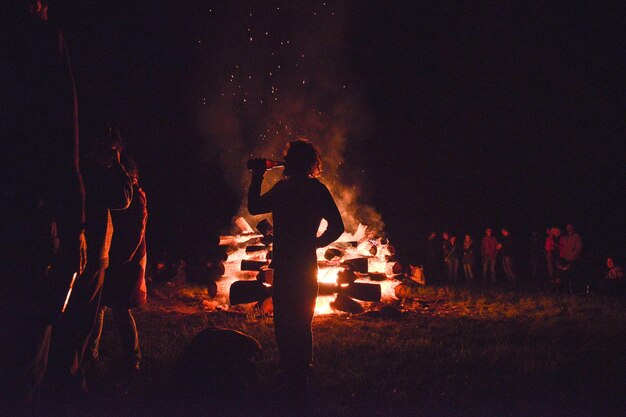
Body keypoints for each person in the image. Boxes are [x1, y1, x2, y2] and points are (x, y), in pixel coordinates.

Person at [1, 0, 86, 405]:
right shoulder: (41, 41)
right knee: (22, 366)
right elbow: (60, 146)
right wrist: (73, 235)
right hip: (23, 229)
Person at [248, 139, 344, 393]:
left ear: (290, 162)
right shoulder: (317, 189)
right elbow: (338, 226)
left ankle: (288, 368)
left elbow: (254, 206)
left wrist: (258, 175)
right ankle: (301, 369)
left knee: (284, 317)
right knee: (302, 318)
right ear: (311, 163)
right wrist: (316, 243)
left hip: (286, 264)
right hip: (305, 262)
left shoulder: (283, 189)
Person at [45, 129, 132, 398]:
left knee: (67, 320)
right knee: (80, 321)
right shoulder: (95, 168)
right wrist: (114, 162)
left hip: (74, 250)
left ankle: (60, 376)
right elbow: (123, 197)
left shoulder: (72, 163)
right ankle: (68, 381)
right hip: (91, 255)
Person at [90, 154, 147, 372]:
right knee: (99, 306)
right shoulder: (119, 195)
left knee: (121, 310)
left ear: (130, 177)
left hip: (126, 262)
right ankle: (91, 353)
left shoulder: (136, 197)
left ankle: (133, 359)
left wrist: (121, 260)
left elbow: (136, 233)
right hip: (112, 258)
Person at [558, 224, 583, 292]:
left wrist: (573, 254)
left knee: (574, 276)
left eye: (570, 227)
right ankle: (566, 291)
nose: (568, 228)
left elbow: (579, 248)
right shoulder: (565, 238)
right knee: (566, 275)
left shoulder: (576, 236)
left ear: (573, 227)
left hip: (574, 260)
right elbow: (562, 247)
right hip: (566, 259)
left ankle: (575, 290)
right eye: (567, 227)